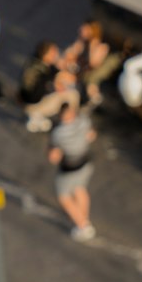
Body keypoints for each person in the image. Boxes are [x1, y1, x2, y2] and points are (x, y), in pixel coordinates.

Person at [48, 98, 97, 242]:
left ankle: (83, 226)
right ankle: (83, 218)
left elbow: (54, 157)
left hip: (69, 168)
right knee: (80, 189)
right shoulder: (84, 121)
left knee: (64, 197)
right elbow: (91, 136)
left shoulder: (58, 133)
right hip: (85, 162)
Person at [19, 41, 78, 132]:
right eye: (53, 53)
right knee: (72, 95)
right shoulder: (43, 71)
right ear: (46, 56)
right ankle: (68, 121)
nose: (56, 54)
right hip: (33, 103)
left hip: (24, 97)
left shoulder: (35, 61)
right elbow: (53, 84)